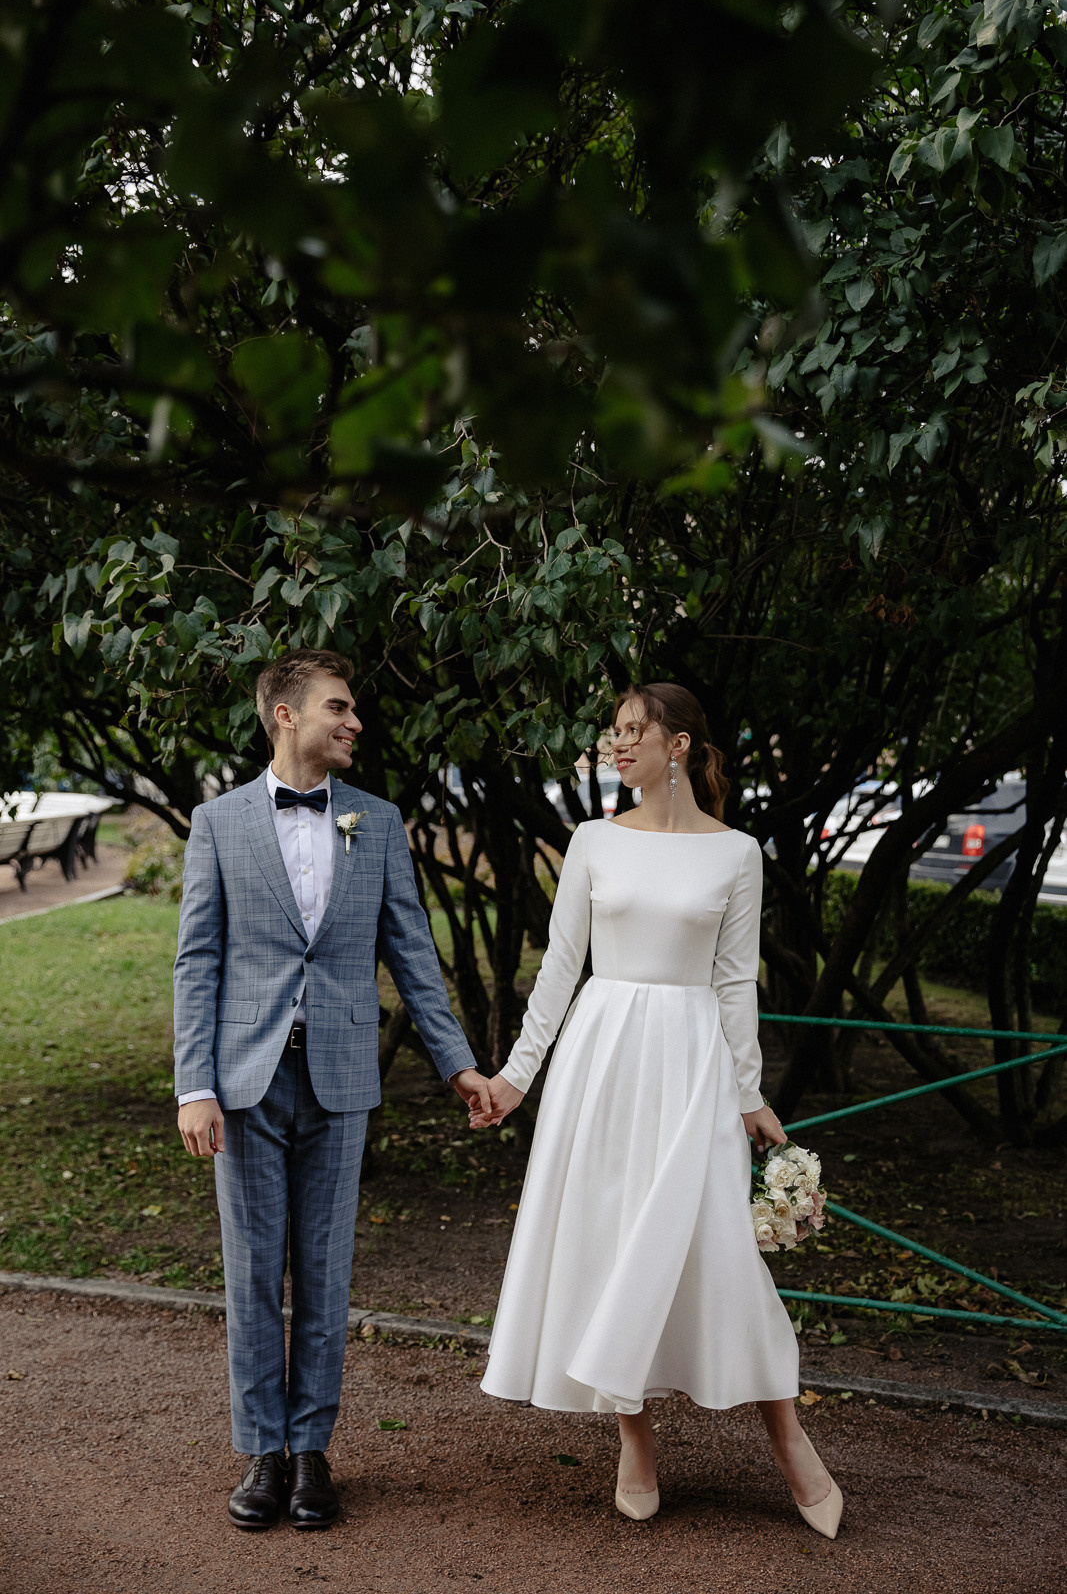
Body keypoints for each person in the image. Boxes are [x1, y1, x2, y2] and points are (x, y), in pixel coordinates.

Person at [472, 682, 843, 1538]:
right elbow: (561, 969)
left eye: (633, 731)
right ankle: (632, 1440)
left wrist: (748, 1094)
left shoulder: (735, 853)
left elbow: (731, 983)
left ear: (678, 745)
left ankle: (789, 1442)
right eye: (614, 733)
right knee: (610, 1243)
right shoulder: (594, 840)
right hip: (601, 1062)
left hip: (693, 1068)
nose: (618, 745)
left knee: (719, 1249)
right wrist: (517, 1078)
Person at [174, 649, 490, 1531]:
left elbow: (413, 953)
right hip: (243, 1082)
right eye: (339, 708)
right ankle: (260, 1451)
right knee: (250, 1272)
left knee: (322, 1273)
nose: (354, 723)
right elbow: (197, 961)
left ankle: (311, 1452)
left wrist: (455, 1061)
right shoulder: (218, 822)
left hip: (342, 1076)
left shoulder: (377, 821)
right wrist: (192, 1083)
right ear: (285, 715)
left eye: (354, 710)